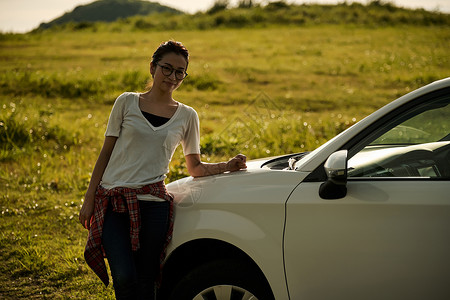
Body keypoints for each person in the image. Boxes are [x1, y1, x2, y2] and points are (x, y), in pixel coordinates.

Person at [78, 40, 247, 299]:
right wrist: (89, 198)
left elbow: (195, 166)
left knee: (147, 278)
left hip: (154, 205)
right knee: (124, 277)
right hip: (114, 202)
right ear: (153, 68)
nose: (173, 77)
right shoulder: (126, 102)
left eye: (180, 72)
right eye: (167, 68)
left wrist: (228, 166)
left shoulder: (187, 115)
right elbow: (106, 152)